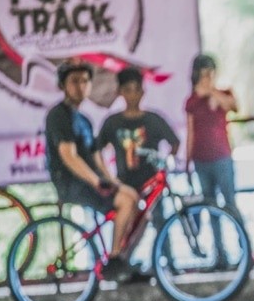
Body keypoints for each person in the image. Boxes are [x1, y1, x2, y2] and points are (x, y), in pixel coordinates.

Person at [44, 60, 138, 281]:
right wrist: (96, 182)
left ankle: (123, 259)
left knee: (134, 200)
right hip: (72, 183)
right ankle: (114, 261)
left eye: (85, 81)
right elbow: (69, 156)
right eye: (74, 81)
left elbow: (99, 160)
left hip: (90, 181)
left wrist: (114, 182)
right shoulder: (59, 115)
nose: (80, 86)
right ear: (63, 85)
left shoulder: (84, 120)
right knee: (125, 202)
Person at [97, 67, 181, 277]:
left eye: (136, 89)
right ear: (120, 92)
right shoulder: (112, 122)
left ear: (143, 92)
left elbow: (174, 142)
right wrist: (110, 179)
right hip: (126, 183)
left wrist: (166, 163)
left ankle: (168, 264)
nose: (132, 95)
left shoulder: (153, 119)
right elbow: (97, 151)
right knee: (129, 224)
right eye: (128, 89)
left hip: (151, 182)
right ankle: (120, 261)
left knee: (160, 220)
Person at [185, 54, 241, 221]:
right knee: (209, 204)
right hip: (201, 159)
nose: (207, 79)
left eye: (210, 74)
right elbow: (191, 132)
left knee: (230, 202)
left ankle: (244, 242)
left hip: (222, 156)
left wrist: (211, 91)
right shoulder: (192, 101)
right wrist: (187, 160)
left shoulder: (222, 93)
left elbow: (234, 106)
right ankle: (218, 246)